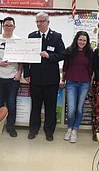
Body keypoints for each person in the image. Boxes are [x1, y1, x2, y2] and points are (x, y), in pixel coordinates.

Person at [23, 12, 65, 141]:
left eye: (41, 21)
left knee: (50, 107)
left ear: (48, 22)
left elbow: (62, 54)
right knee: (35, 106)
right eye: (37, 22)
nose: (39, 24)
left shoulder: (56, 37)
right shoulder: (32, 36)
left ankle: (49, 131)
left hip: (51, 79)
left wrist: (49, 56)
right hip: (35, 78)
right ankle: (33, 129)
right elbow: (26, 56)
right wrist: (27, 73)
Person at [60, 31, 93, 143]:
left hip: (84, 83)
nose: (82, 42)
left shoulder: (90, 52)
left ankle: (75, 130)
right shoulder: (70, 51)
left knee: (79, 108)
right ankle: (69, 128)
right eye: (80, 40)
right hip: (71, 82)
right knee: (71, 109)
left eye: (84, 40)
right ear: (76, 40)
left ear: (87, 41)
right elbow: (65, 67)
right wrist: (63, 79)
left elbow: (91, 69)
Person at [0, 17, 22, 137]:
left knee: (11, 103)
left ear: (14, 27)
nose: (8, 27)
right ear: (3, 26)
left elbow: (21, 60)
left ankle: (10, 127)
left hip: (13, 77)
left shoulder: (19, 40)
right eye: (6, 25)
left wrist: (19, 73)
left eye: (11, 25)